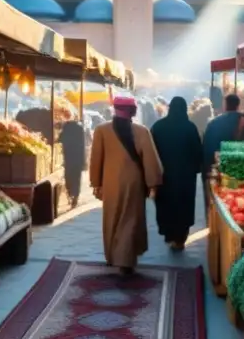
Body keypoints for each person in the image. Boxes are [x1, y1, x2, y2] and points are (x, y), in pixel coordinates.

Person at [89, 96, 163, 274]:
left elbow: (96, 159)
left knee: (112, 218)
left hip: (110, 182)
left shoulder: (101, 130)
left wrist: (96, 183)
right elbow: (151, 160)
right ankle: (125, 260)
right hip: (133, 183)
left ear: (114, 109)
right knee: (130, 220)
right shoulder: (142, 131)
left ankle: (113, 256)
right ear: (133, 112)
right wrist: (153, 182)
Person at [150, 97, 203, 250]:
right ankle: (180, 237)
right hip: (185, 177)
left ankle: (169, 234)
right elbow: (197, 151)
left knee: (166, 204)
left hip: (164, 175)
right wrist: (195, 168)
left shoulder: (158, 126)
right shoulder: (190, 127)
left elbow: (151, 151)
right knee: (183, 205)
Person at [201, 93, 243, 213]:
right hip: (241, 172)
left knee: (217, 202)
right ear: (238, 105)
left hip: (217, 170)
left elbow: (207, 148)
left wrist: (207, 171)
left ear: (225, 105)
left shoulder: (213, 123)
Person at [58, 118, 86, 208]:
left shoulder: (66, 128)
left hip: (68, 157)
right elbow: (83, 145)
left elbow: (60, 140)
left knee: (68, 176)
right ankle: (75, 197)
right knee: (77, 178)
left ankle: (71, 194)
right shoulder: (80, 128)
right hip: (78, 157)